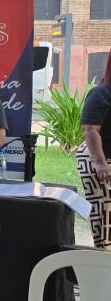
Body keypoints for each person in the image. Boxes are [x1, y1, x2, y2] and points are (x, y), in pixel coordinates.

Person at [77, 48, 111, 250]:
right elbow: (89, 129)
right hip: (98, 157)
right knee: (105, 216)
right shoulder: (102, 92)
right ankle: (104, 259)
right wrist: (100, 163)